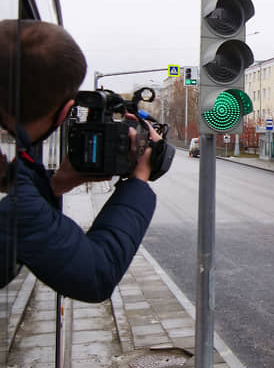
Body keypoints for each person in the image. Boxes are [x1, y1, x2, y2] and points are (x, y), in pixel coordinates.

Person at [0, 20, 161, 303]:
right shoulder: (19, 200)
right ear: (65, 112)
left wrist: (56, 184)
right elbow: (97, 274)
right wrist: (138, 179)